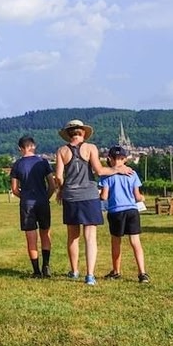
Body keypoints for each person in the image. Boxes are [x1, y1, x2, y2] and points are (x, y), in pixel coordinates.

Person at [54, 119, 131, 286]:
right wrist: (118, 169)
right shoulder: (90, 148)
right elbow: (99, 171)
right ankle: (90, 275)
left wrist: (61, 190)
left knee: (72, 236)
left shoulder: (62, 151)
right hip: (89, 195)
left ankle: (74, 271)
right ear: (83, 132)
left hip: (70, 196)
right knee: (90, 236)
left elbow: (59, 177)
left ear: (68, 134)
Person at [98, 146, 150, 283]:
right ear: (125, 159)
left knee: (116, 242)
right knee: (135, 242)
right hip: (132, 210)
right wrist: (142, 198)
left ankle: (116, 271)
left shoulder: (106, 175)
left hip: (116, 211)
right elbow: (137, 197)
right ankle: (142, 272)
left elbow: (104, 196)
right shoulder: (132, 173)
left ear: (109, 159)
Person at [10, 136, 55, 278]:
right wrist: (45, 197)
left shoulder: (17, 165)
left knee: (31, 237)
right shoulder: (43, 162)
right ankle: (46, 266)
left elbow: (15, 189)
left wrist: (24, 197)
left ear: (20, 148)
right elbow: (52, 185)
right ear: (34, 146)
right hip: (42, 201)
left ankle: (36, 271)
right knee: (45, 233)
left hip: (27, 204)